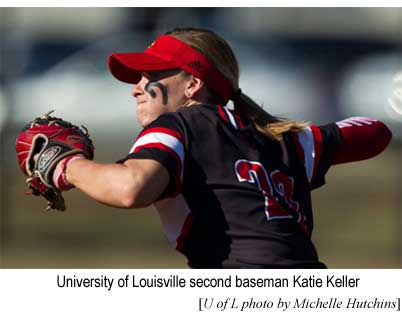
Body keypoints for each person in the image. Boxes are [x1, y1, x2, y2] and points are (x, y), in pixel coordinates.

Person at [52, 27, 392, 268]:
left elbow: (131, 188)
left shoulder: (179, 126)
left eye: (150, 74)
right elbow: (376, 132)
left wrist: (64, 165)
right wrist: (308, 136)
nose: (136, 88)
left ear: (193, 84)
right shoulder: (282, 139)